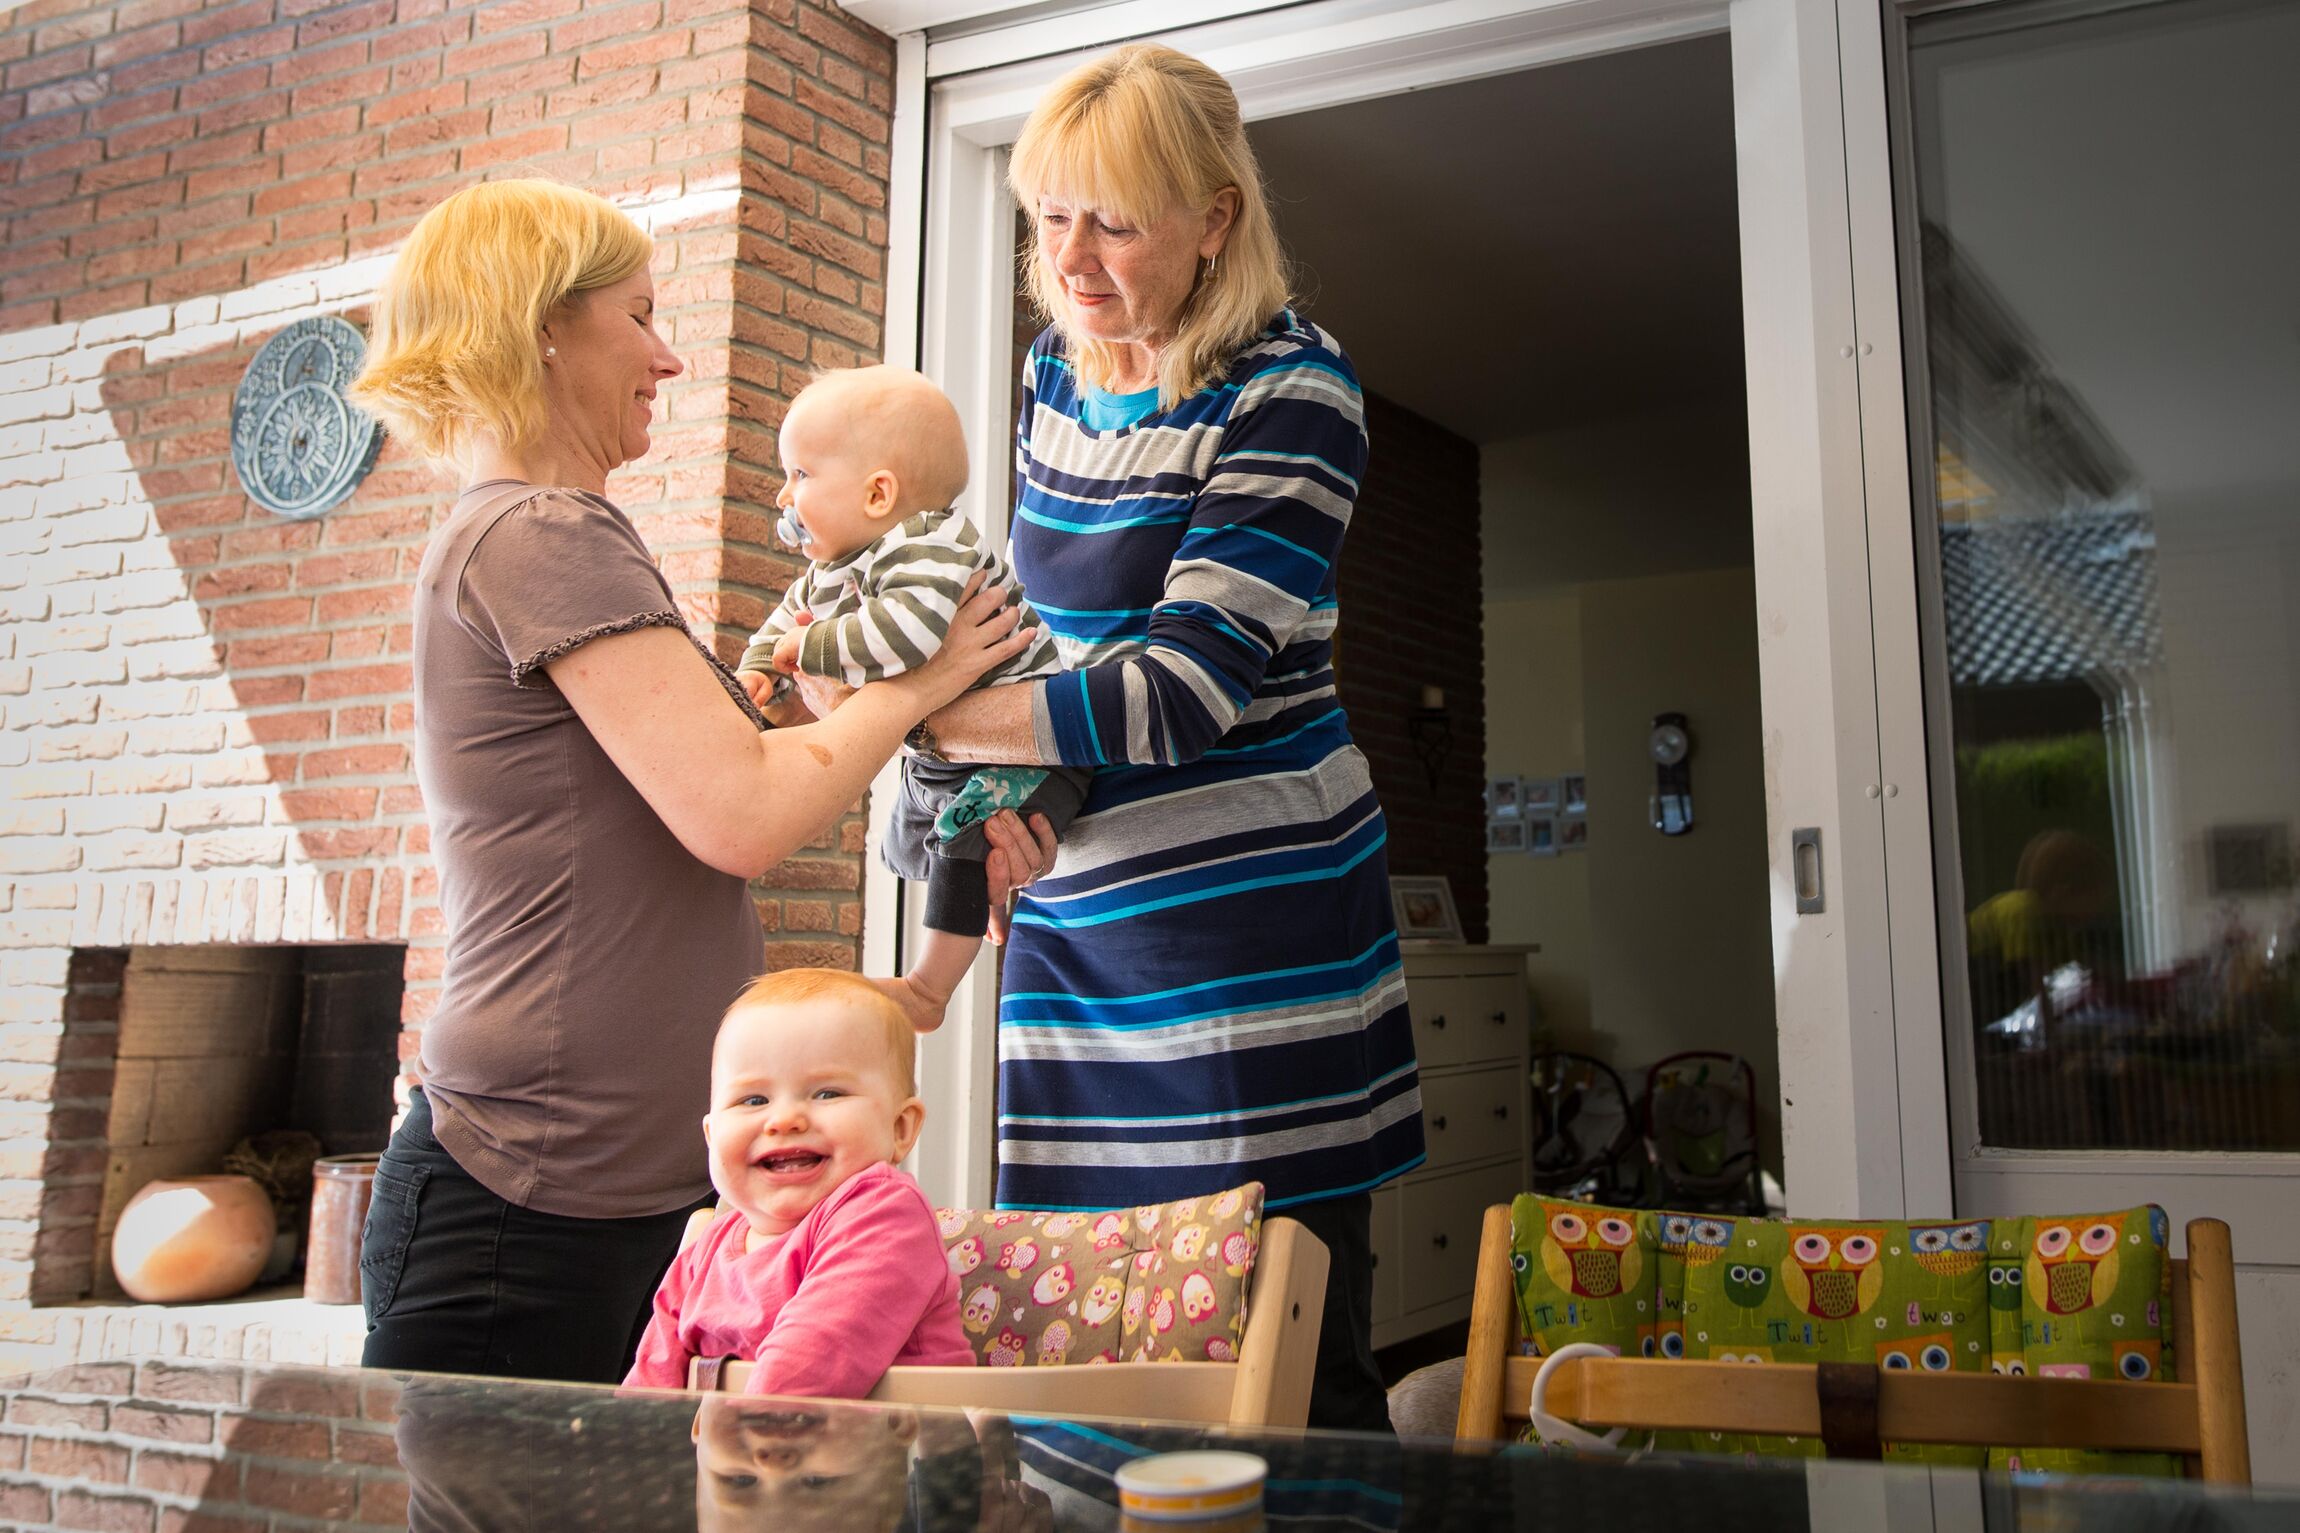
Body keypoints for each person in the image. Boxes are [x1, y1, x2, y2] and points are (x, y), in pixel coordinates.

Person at [345, 179, 1052, 1384]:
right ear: (542, 327)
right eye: (639, 316)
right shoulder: (540, 533)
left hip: (608, 1193)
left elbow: (736, 771)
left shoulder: (542, 532)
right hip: (528, 1206)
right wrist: (922, 676)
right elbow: (742, 813)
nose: (666, 357)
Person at [908, 45, 1425, 1431]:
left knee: (1279, 1376)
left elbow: (1180, 689)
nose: (1069, 260)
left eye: (1115, 222)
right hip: (1078, 944)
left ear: (1216, 220)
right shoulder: (1054, 381)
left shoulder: (1293, 389)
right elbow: (1030, 636)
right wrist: (974, 784)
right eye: (1049, 217)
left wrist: (926, 713)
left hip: (1252, 953)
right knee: (1083, 1353)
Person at [733, 368, 1090, 1031]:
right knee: (903, 844)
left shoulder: (934, 543)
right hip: (946, 751)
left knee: (964, 838)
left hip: (1026, 754)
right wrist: (759, 669)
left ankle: (929, 988)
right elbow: (785, 620)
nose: (782, 495)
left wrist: (807, 654)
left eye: (800, 475)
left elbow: (907, 635)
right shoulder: (834, 568)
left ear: (877, 493)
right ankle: (968, 890)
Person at [623, 969, 975, 1395]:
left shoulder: (886, 1216)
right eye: (753, 1100)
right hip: (748, 1454)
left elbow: (809, 1366)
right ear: (712, 1136)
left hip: (895, 1456)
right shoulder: (706, 1250)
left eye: (827, 1094)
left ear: (900, 1127)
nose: (785, 1120)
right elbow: (650, 1384)